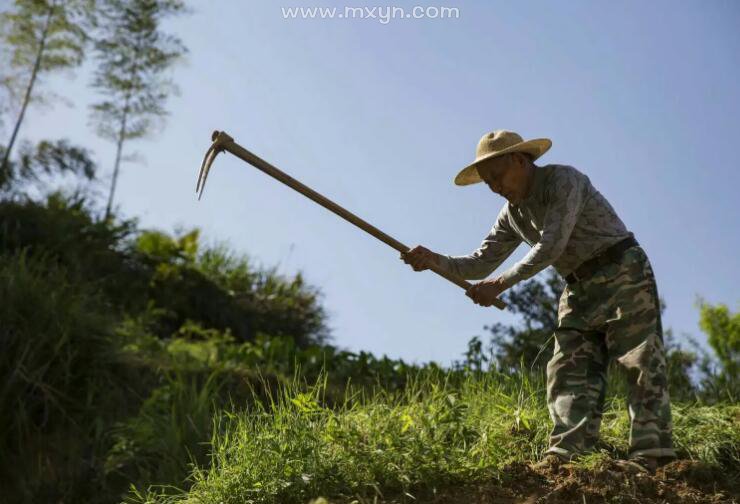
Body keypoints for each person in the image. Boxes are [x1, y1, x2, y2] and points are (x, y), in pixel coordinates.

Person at [401, 130, 676, 473]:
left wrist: (500, 284)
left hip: (621, 269)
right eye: (487, 183)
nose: (495, 188)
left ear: (519, 160)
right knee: (567, 368)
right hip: (577, 287)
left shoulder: (563, 180)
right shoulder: (512, 214)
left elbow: (552, 245)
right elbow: (480, 262)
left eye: (497, 176)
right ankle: (566, 454)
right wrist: (434, 260)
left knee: (639, 358)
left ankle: (652, 455)